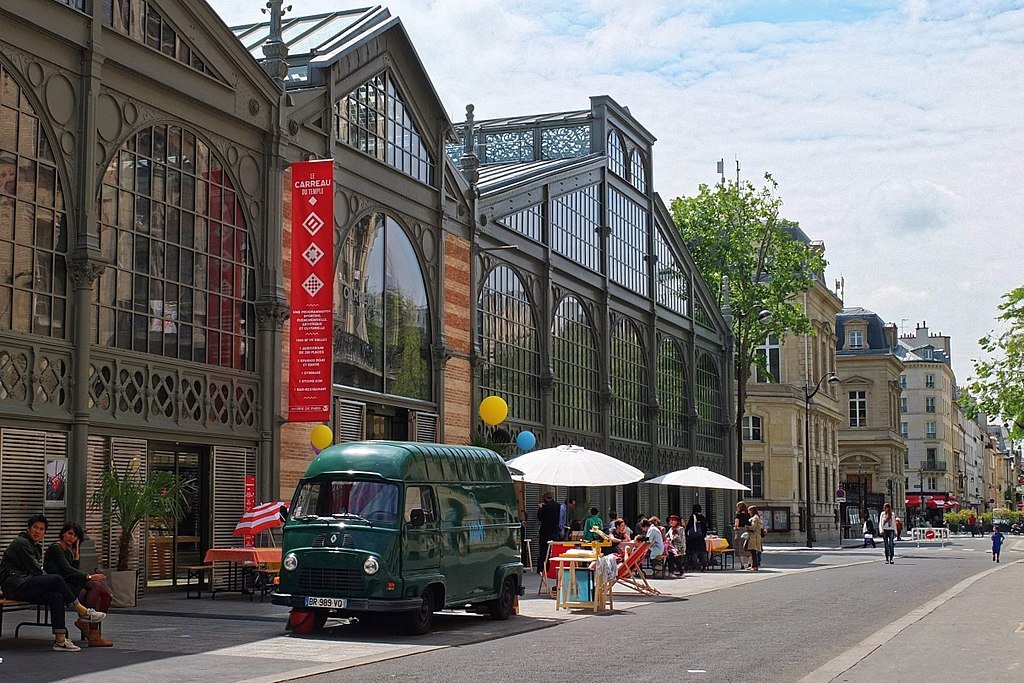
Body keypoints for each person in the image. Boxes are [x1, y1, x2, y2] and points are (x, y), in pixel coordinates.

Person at [0, 515, 106, 652]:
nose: (37, 531)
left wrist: (77, 552)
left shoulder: (33, 545)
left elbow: (64, 569)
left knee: (57, 596)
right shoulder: (21, 543)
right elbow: (36, 570)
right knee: (56, 579)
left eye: (41, 529)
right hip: (16, 585)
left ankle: (60, 640)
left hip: (25, 585)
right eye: (35, 528)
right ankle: (82, 611)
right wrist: (51, 580)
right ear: (28, 528)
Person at [44, 522, 114, 646]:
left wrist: (76, 552)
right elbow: (67, 569)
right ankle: (88, 626)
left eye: (75, 536)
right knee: (95, 586)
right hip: (59, 585)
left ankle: (91, 631)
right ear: (63, 533)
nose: (72, 537)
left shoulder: (67, 551)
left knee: (96, 590)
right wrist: (89, 576)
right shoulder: (56, 548)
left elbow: (74, 568)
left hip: (68, 583)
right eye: (70, 533)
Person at [536, 491, 561, 573]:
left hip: (545, 531)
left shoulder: (545, 507)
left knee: (544, 550)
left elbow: (540, 518)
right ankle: (553, 568)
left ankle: (542, 568)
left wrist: (540, 508)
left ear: (546, 498)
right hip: (555, 531)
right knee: (554, 550)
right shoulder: (558, 506)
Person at [685, 504, 708, 569]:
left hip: (694, 537)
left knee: (694, 551)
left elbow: (689, 526)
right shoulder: (703, 517)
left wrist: (686, 533)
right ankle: (704, 564)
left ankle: (695, 564)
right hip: (701, 537)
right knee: (702, 551)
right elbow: (705, 528)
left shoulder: (692, 517)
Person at [734, 501, 751, 570]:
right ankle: (749, 563)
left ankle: (742, 565)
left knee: (740, 548)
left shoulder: (738, 515)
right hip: (748, 531)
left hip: (740, 531)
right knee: (749, 547)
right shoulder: (748, 514)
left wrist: (735, 528)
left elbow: (736, 524)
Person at [745, 505, 764, 571]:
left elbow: (753, 527)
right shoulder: (756, 517)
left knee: (753, 551)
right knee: (753, 552)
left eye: (749, 510)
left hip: (754, 537)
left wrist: (746, 527)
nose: (748, 512)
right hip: (755, 536)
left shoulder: (755, 518)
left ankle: (755, 566)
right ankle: (753, 565)